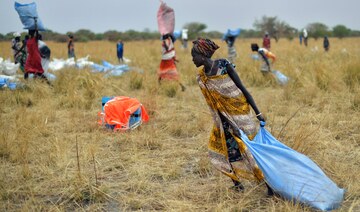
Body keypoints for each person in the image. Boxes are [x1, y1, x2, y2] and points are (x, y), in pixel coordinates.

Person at [191, 38, 273, 195]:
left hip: (239, 114)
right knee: (226, 150)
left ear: (202, 55)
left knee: (249, 150)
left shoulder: (223, 65)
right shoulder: (202, 77)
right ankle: (237, 184)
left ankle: (269, 185)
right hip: (222, 119)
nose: (192, 59)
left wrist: (258, 113)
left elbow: (242, 89)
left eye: (194, 56)